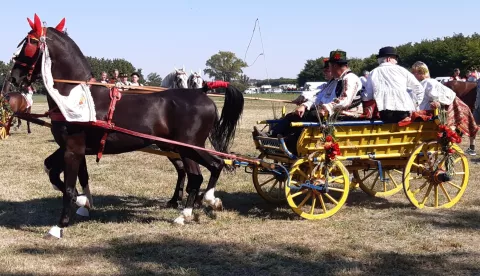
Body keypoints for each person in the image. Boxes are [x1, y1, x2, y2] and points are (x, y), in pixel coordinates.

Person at [253, 50, 362, 154]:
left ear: (335, 66)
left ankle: (289, 144)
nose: (328, 70)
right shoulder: (334, 81)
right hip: (329, 113)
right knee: (295, 115)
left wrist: (326, 107)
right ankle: (271, 136)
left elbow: (345, 101)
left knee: (310, 116)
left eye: (329, 67)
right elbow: (319, 97)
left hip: (344, 114)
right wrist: (305, 105)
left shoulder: (350, 78)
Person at [411, 61, 479, 156]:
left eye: (415, 72)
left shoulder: (429, 83)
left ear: (421, 72)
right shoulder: (425, 83)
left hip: (427, 115)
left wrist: (436, 102)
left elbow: (443, 97)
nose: (413, 75)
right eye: (413, 72)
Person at [363, 46, 424, 123]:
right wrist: (415, 104)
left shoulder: (373, 73)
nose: (396, 61)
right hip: (404, 110)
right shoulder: (402, 70)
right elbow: (419, 89)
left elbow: (368, 95)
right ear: (389, 59)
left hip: (384, 111)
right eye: (395, 59)